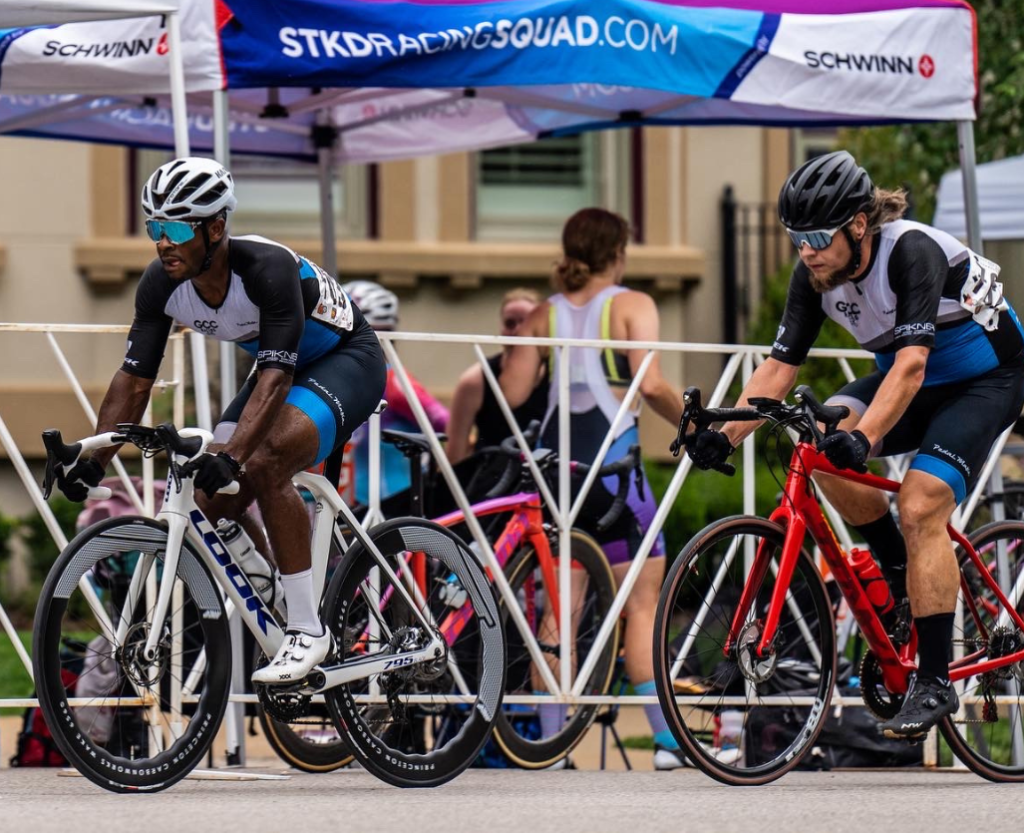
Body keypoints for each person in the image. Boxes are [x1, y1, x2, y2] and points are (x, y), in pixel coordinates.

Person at [690, 150, 1024, 739]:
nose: (807, 250)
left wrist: (865, 437)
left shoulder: (911, 252)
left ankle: (936, 679)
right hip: (913, 379)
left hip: (987, 380)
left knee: (920, 503)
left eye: (818, 235)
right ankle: (897, 566)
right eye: (796, 238)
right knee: (817, 442)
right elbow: (777, 368)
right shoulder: (814, 274)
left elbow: (914, 363)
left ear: (859, 225)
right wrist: (725, 436)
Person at [55, 157, 386, 684]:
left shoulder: (266, 268)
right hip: (281, 367)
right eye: (154, 227)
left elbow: (276, 380)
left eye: (177, 228)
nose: (163, 242)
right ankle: (276, 588)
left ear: (215, 228)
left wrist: (231, 457)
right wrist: (94, 459)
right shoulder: (161, 284)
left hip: (346, 360)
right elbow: (135, 380)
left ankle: (308, 628)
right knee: (207, 504)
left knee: (265, 459)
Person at [499, 207, 690, 770]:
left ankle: (553, 748)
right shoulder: (633, 305)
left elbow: (511, 394)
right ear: (619, 253)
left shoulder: (541, 314)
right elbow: (648, 381)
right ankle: (666, 743)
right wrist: (694, 421)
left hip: (559, 473)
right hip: (615, 472)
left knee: (562, 611)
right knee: (642, 604)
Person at [342, 280, 449, 513]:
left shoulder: (394, 382)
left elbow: (446, 423)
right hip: (359, 500)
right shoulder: (353, 378)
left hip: (393, 503)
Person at [446, 287, 548, 465]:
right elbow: (455, 456)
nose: (517, 331)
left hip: (547, 481)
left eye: (526, 323)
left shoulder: (560, 376)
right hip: (491, 484)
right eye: (510, 323)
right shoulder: (475, 380)